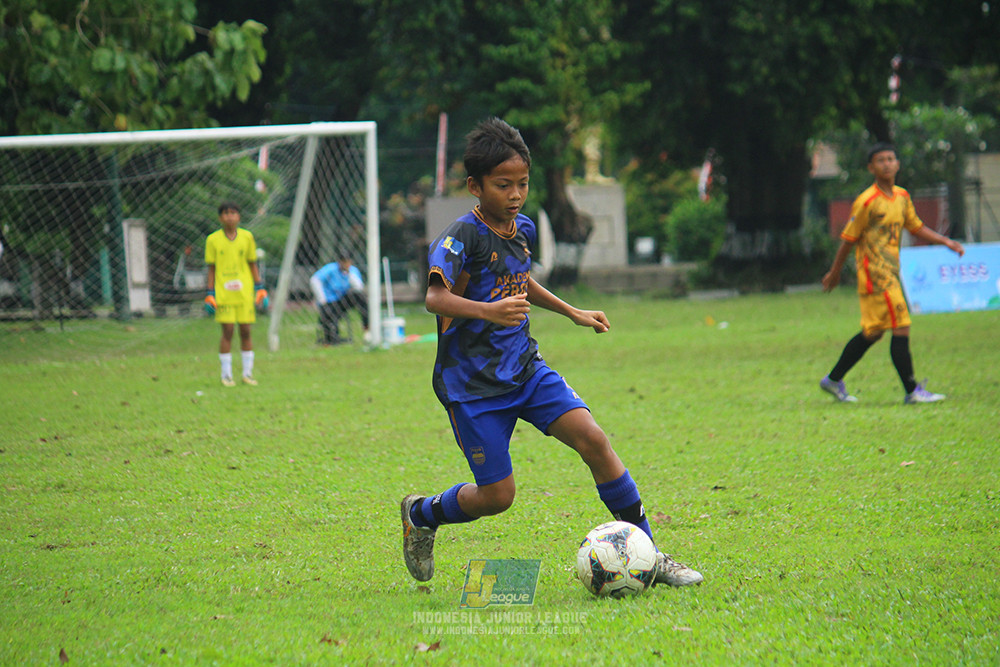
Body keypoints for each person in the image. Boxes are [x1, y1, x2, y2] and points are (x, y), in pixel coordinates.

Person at [399, 117, 702, 588]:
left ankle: (652, 555)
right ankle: (422, 513)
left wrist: (571, 311)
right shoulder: (461, 235)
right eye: (503, 185)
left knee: (594, 439)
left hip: (524, 368)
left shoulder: (523, 228)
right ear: (475, 186)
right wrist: (488, 311)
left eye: (522, 183)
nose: (515, 194)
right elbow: (433, 299)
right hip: (472, 386)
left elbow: (519, 281)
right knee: (498, 496)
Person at [820, 143, 965, 404]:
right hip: (876, 275)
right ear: (871, 167)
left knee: (873, 332)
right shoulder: (867, 202)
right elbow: (848, 239)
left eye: (890, 159)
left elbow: (915, 226)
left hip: (890, 272)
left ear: (897, 164)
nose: (886, 164)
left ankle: (832, 379)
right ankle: (912, 391)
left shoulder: (902, 197)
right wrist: (835, 272)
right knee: (901, 325)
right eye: (880, 160)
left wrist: (946, 242)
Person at [204, 202, 268, 386]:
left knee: (246, 331)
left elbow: (252, 263)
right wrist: (210, 293)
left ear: (239, 216)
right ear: (220, 218)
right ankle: (226, 375)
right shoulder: (213, 240)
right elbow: (211, 268)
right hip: (224, 294)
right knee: (228, 331)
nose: (229, 216)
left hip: (244, 293)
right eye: (225, 213)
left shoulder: (247, 237)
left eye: (233, 213)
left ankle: (247, 374)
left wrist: (260, 288)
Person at [310, 255, 370, 345]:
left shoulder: (353, 271)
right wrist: (322, 300)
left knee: (360, 296)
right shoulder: (330, 269)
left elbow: (358, 287)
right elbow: (315, 280)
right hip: (329, 301)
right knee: (329, 314)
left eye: (348, 262)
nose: (346, 264)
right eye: (344, 262)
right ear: (339, 262)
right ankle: (332, 339)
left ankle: (367, 328)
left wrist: (349, 274)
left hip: (342, 300)